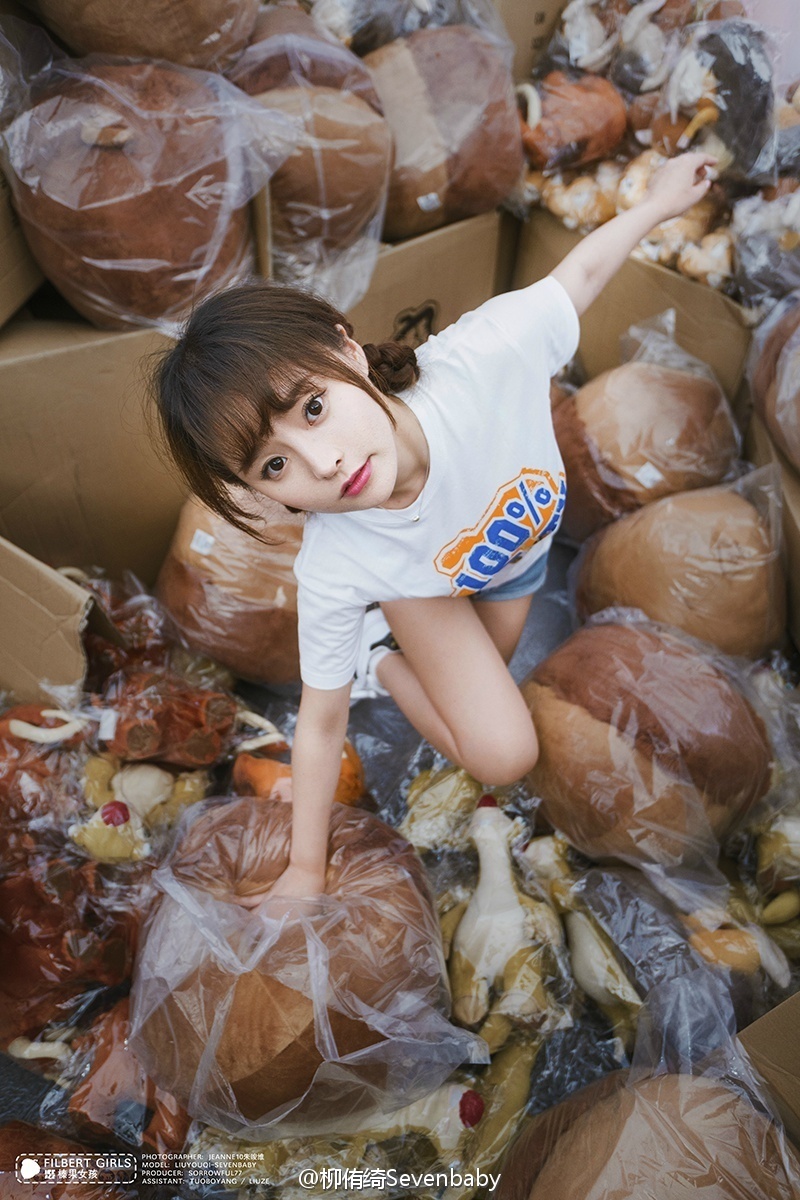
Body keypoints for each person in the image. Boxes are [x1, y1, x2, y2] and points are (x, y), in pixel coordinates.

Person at [154, 150, 716, 905]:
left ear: (343, 347)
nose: (322, 463)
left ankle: (391, 651)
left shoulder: (486, 358)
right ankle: (378, 658)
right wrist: (306, 870)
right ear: (258, 492)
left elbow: (576, 278)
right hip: (420, 586)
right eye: (274, 466)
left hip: (513, 561)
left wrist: (655, 206)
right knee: (503, 752)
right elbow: (319, 729)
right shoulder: (338, 563)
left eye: (312, 407)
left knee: (494, 668)